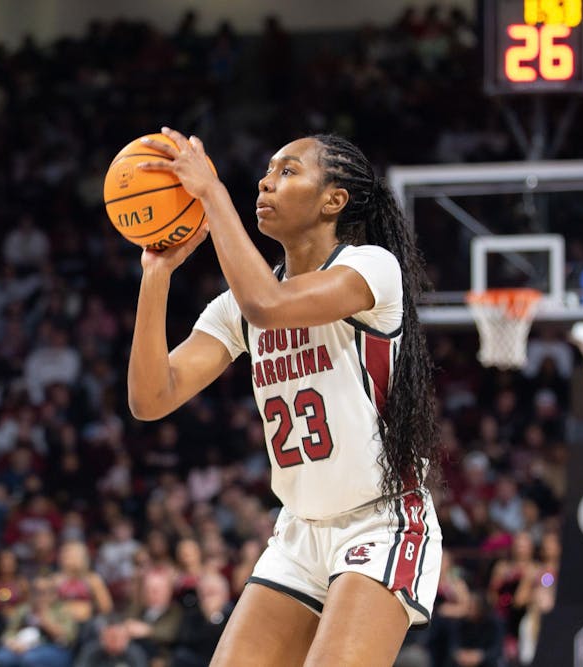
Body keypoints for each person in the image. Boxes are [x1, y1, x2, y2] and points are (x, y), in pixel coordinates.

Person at [129, 129, 442, 665]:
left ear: (333, 200)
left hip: (382, 522)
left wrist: (212, 194)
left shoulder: (371, 268)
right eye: (268, 171)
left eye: (287, 171)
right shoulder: (235, 308)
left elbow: (269, 305)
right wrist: (156, 276)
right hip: (299, 532)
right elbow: (151, 398)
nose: (265, 182)